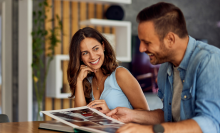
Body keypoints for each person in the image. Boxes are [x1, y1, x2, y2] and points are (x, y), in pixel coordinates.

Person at [106, 2, 220, 133]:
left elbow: (211, 123)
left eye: (147, 42)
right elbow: (169, 116)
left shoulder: (210, 61)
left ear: (170, 39)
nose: (141, 48)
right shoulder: (165, 67)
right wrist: (132, 115)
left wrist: (151, 130)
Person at [67, 27, 149, 114]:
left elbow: (145, 114)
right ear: (79, 57)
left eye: (95, 49)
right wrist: (79, 81)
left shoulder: (120, 74)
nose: (92, 56)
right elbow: (80, 117)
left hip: (126, 128)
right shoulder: (87, 81)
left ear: (103, 46)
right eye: (85, 53)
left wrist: (109, 112)